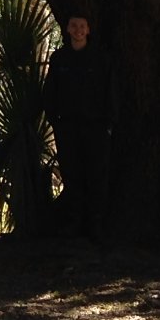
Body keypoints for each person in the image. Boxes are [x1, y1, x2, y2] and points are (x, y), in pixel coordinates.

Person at [43, 13, 113, 236]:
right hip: (68, 128)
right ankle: (75, 223)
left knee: (96, 175)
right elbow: (50, 92)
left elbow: (111, 92)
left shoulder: (101, 59)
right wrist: (56, 121)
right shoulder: (60, 59)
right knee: (72, 174)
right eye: (74, 26)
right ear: (68, 30)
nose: (78, 30)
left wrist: (108, 123)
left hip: (96, 128)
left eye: (82, 26)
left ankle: (96, 224)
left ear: (88, 30)